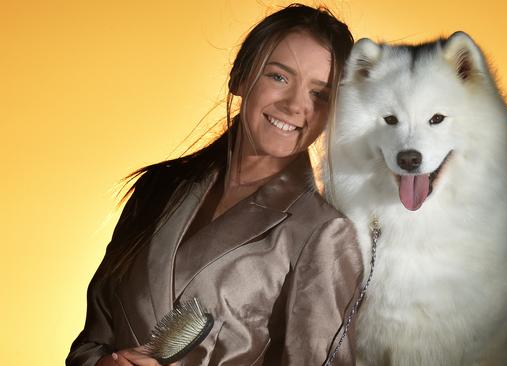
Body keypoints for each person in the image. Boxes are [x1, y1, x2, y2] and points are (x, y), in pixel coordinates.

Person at [66, 4, 362, 366]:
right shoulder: (157, 189)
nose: (295, 105)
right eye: (279, 77)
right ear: (239, 76)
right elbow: (92, 341)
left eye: (320, 95)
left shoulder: (325, 232)